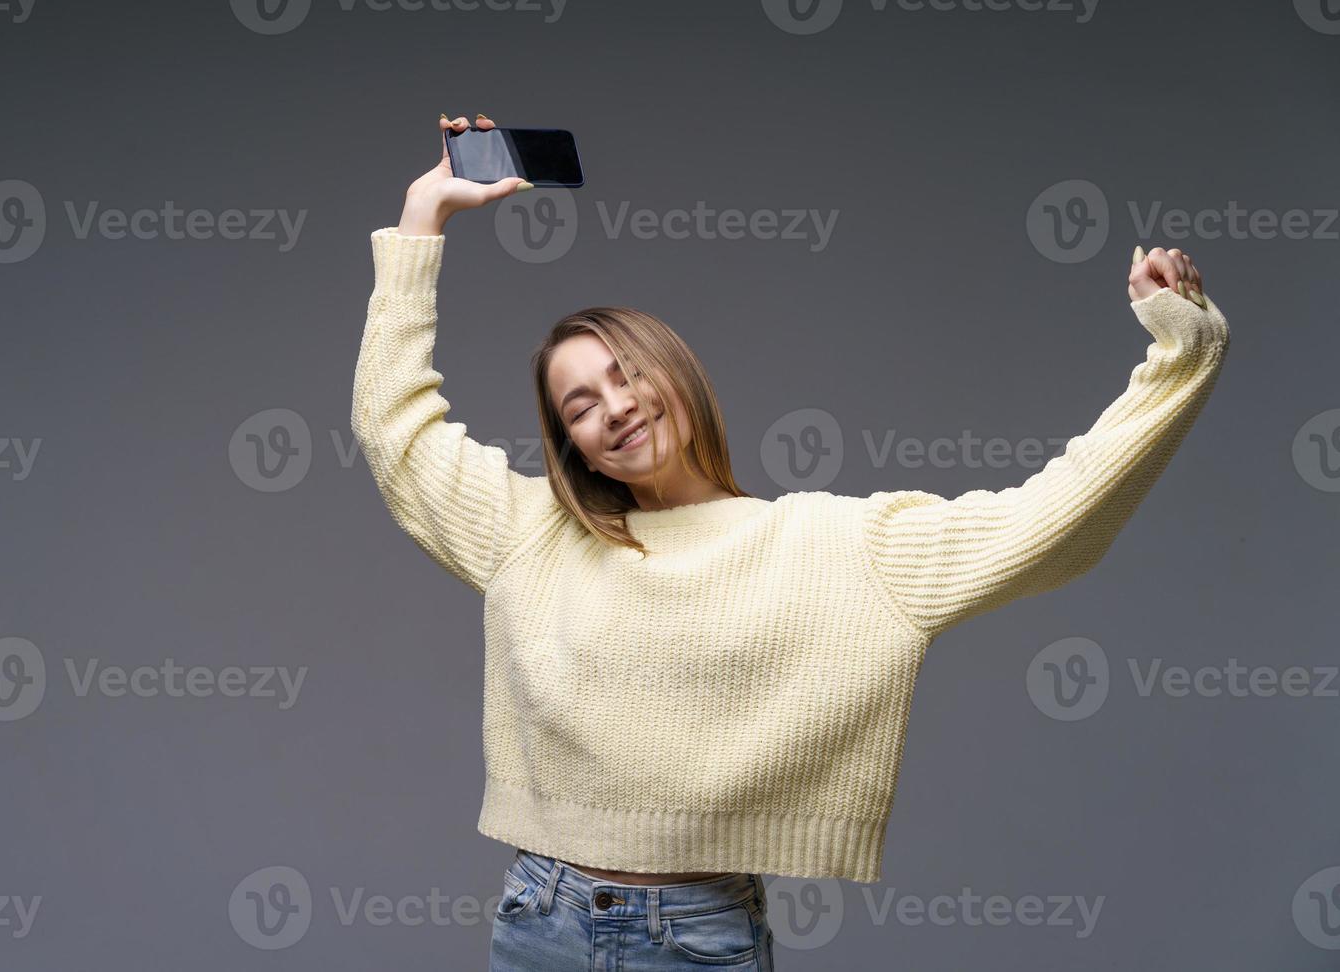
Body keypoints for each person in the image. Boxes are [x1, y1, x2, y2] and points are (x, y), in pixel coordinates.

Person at [351, 113, 1229, 971]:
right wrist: (423, 219)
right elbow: (396, 432)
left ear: (678, 373)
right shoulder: (532, 534)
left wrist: (1178, 361)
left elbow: (1050, 522)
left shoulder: (828, 545)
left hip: (696, 937)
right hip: (539, 919)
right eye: (579, 405)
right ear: (566, 440)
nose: (614, 407)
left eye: (628, 375)